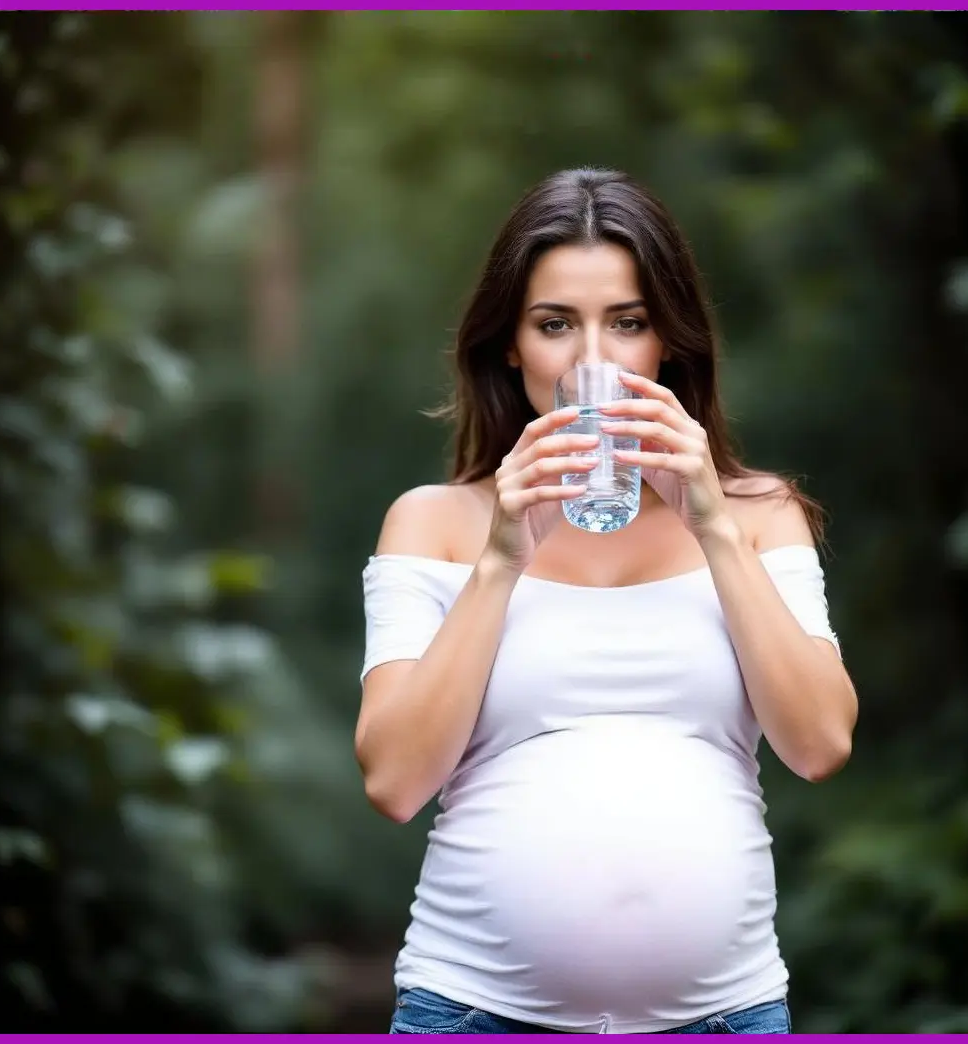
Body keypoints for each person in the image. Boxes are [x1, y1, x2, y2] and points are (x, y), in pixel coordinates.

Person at [355, 168, 858, 1035]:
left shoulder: (759, 517)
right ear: (511, 344)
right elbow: (396, 781)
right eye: (556, 325)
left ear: (668, 341)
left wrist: (714, 528)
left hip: (722, 1017)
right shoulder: (433, 524)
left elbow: (820, 744)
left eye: (627, 323)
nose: (594, 362)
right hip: (472, 1011)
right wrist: (502, 558)